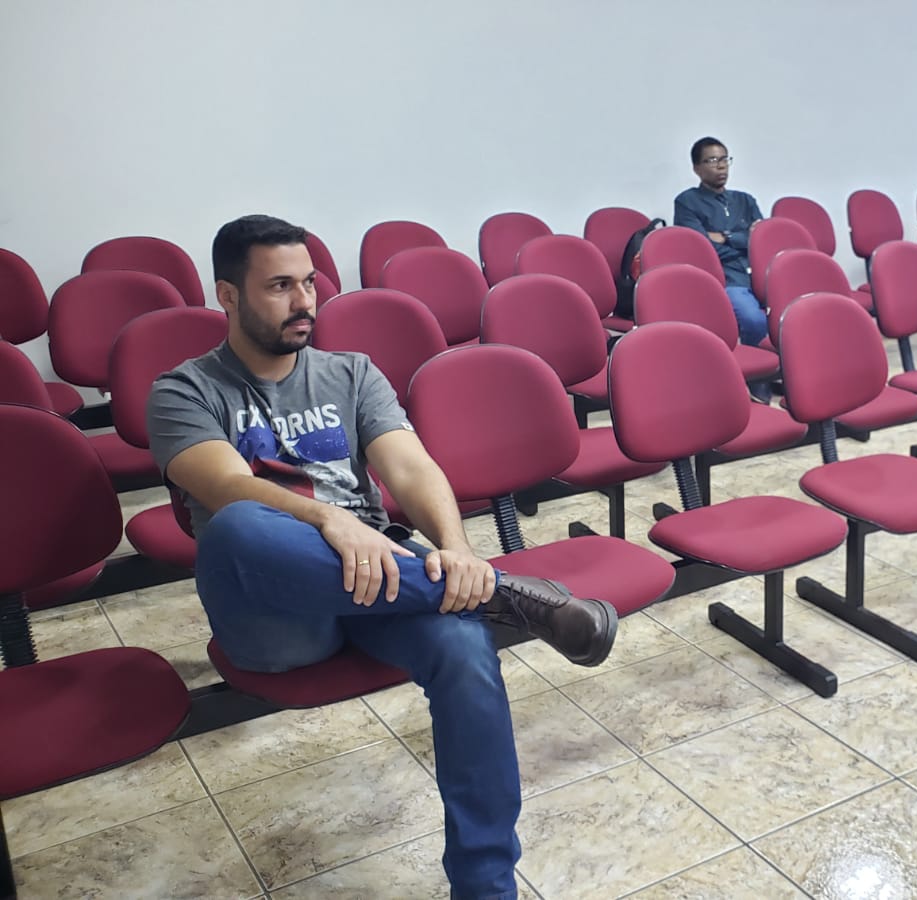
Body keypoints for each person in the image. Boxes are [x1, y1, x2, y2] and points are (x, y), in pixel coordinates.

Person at [147, 215, 620, 900]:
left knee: (464, 647)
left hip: (381, 581)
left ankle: (485, 886)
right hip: (275, 612)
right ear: (227, 295)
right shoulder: (184, 390)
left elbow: (410, 468)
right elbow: (224, 485)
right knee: (237, 525)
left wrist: (457, 552)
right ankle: (506, 595)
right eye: (279, 287)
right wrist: (329, 518)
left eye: (309, 283)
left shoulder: (351, 372)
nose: (303, 301)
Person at [673, 136, 766, 347]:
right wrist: (744, 240)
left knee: (798, 310)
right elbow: (702, 249)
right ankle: (755, 365)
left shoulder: (745, 200)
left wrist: (726, 237)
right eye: (713, 160)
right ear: (697, 168)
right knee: (754, 320)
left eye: (725, 159)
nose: (722, 166)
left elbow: (762, 242)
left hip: (758, 274)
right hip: (726, 278)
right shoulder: (687, 202)